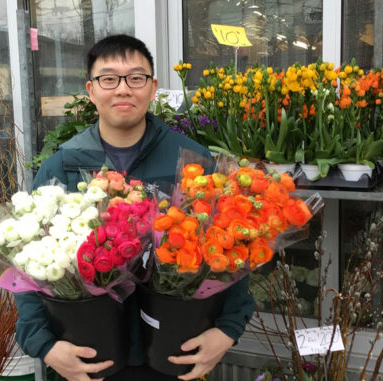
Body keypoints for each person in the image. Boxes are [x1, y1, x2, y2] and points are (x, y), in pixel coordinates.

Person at [14, 34, 255, 381]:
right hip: (84, 358)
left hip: (174, 352)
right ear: (91, 89)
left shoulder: (191, 163)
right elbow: (27, 265)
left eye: (136, 78)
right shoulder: (62, 168)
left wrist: (228, 330)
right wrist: (45, 345)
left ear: (153, 87)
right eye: (108, 78)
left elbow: (232, 251)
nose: (123, 89)